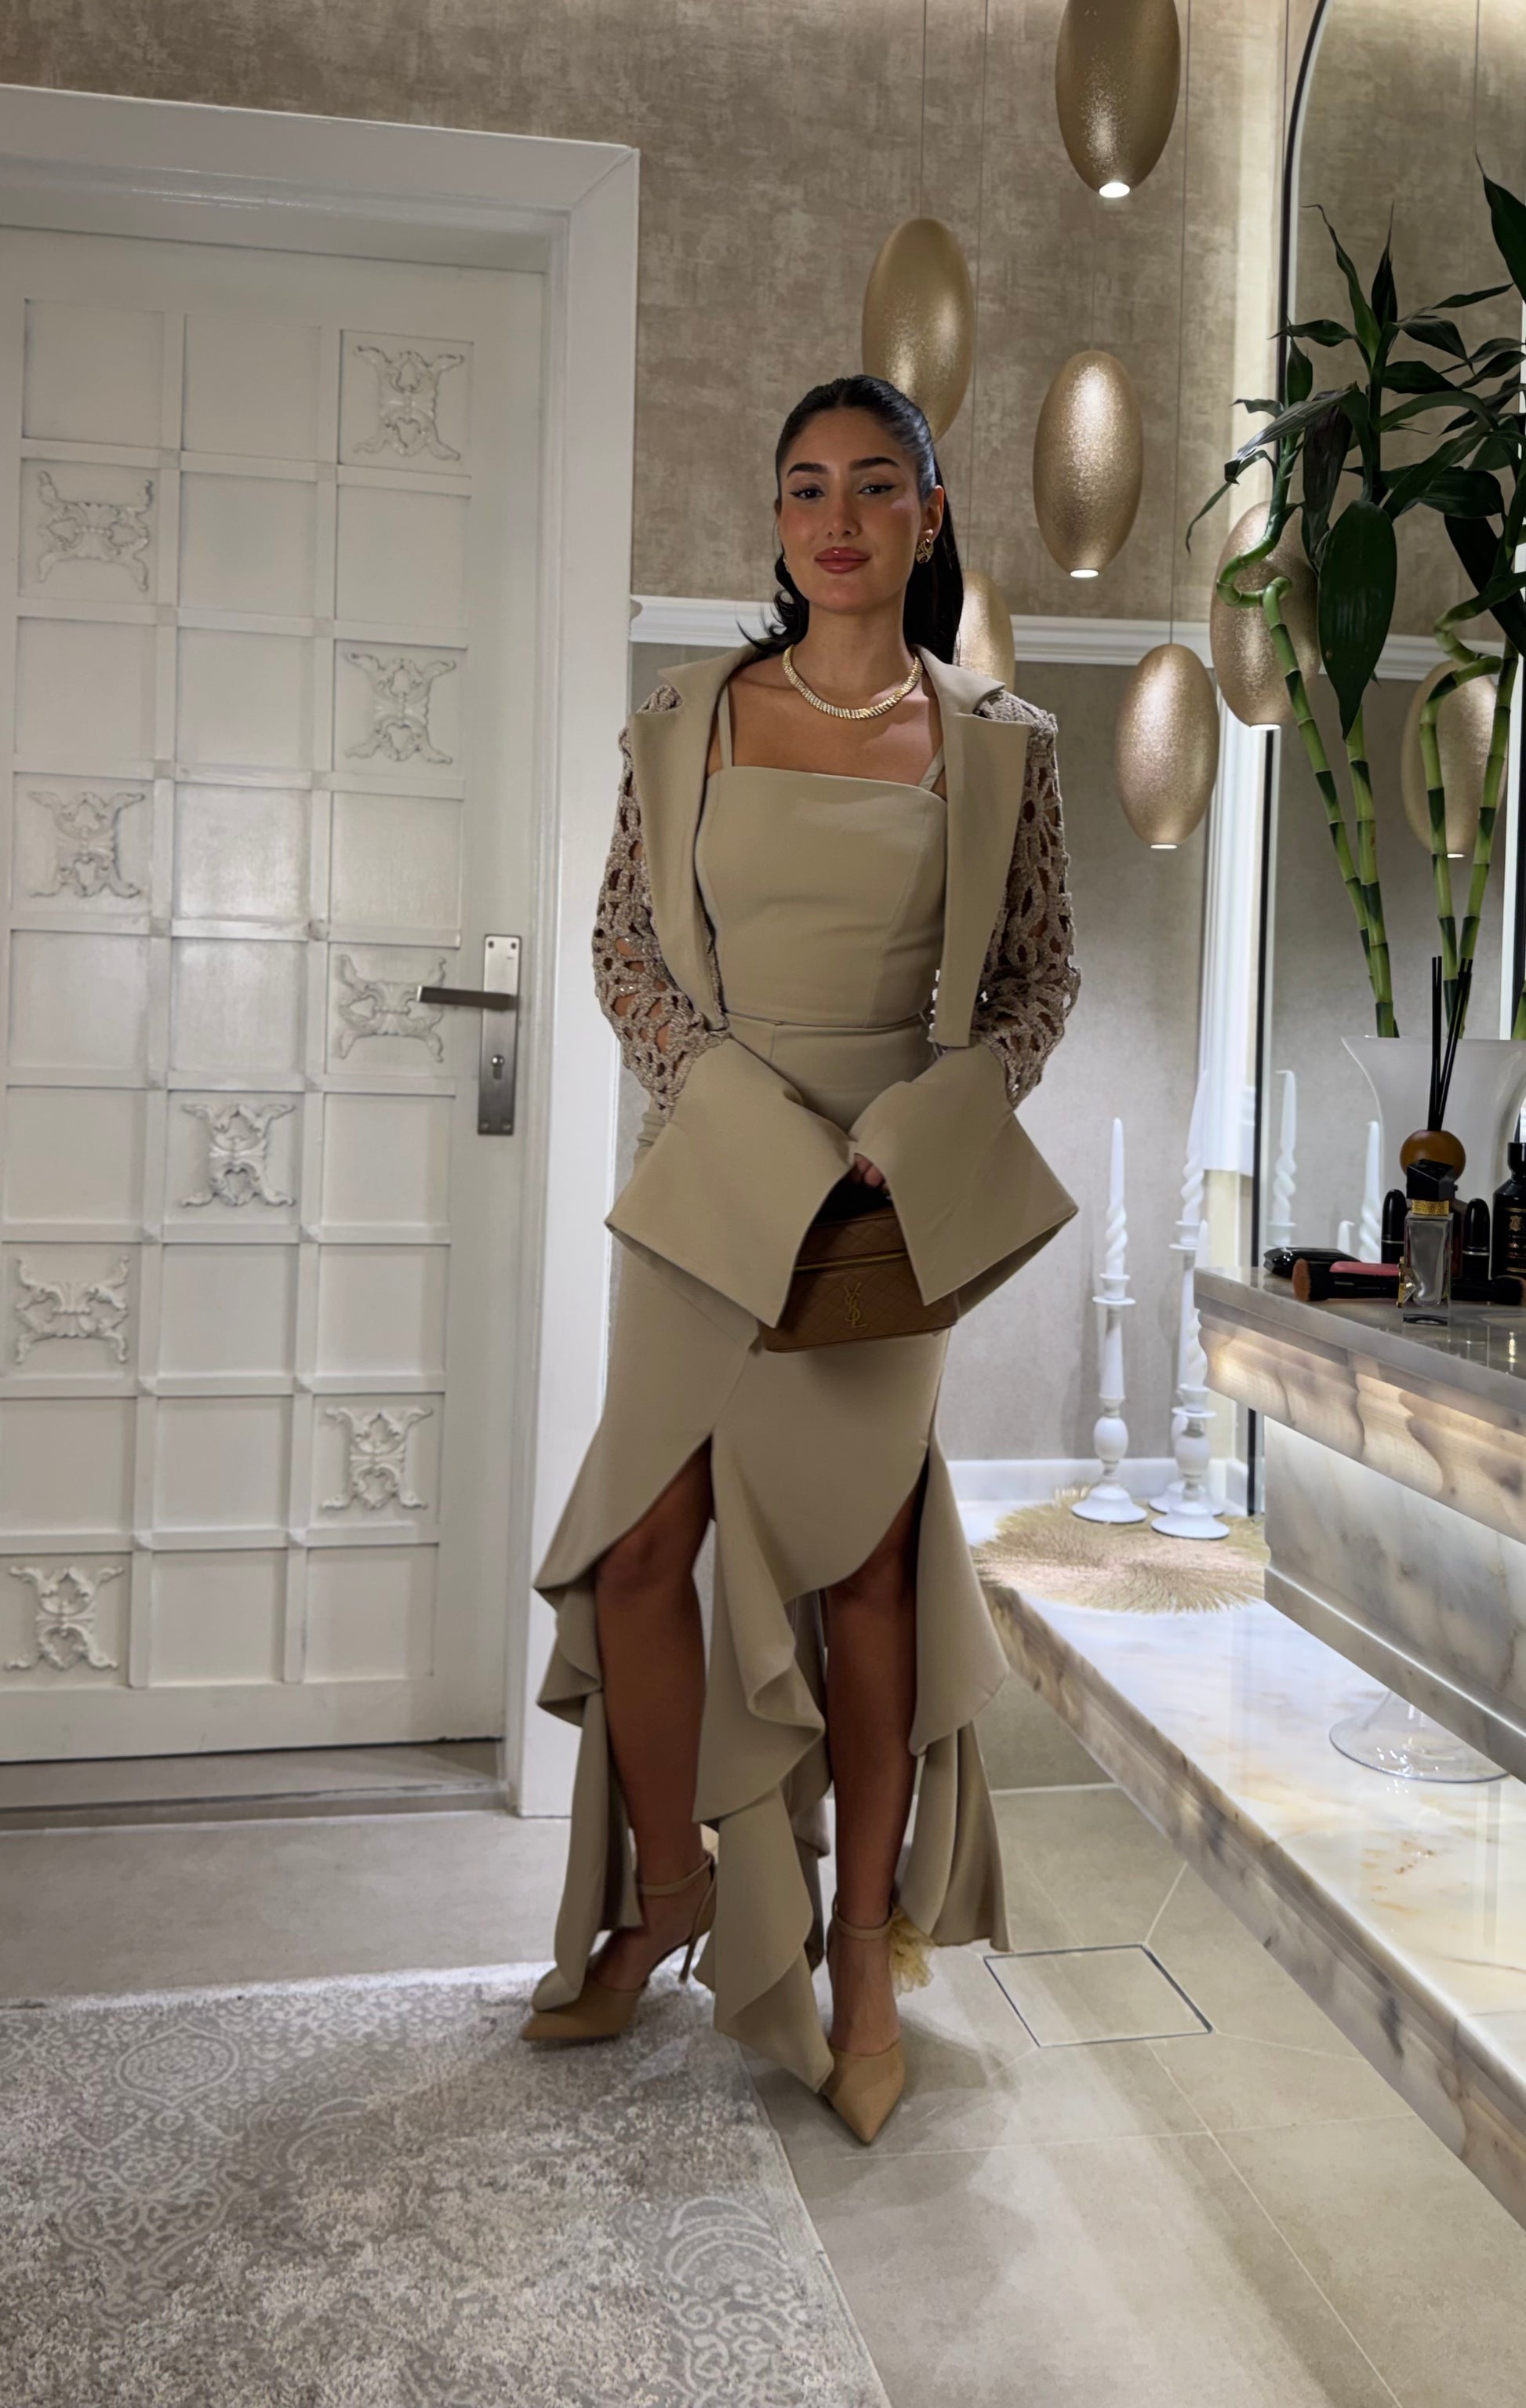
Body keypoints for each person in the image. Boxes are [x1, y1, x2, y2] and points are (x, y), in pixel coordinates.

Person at [521, 373, 1079, 2144]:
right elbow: (624, 949)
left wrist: (920, 1126)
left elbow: (1036, 981)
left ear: (928, 511)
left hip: (880, 1205)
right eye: (805, 487)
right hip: (710, 1175)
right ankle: (670, 1895)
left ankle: (858, 1957)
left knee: (866, 1578)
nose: (837, 519)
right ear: (776, 519)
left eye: (873, 485)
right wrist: (730, 1108)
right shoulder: (687, 715)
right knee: (638, 1558)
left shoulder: (1001, 742)